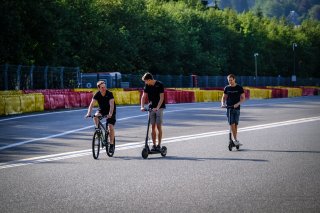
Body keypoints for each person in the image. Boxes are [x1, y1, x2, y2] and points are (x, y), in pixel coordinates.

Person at [85, 81, 116, 153]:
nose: (104, 88)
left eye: (105, 86)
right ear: (99, 88)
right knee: (95, 116)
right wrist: (88, 113)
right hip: (102, 110)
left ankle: (111, 144)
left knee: (110, 126)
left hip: (110, 111)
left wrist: (110, 114)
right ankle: (97, 129)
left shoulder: (109, 93)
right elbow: (91, 104)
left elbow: (112, 105)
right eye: (102, 87)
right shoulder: (97, 94)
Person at [140, 72, 166, 151]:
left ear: (150, 79)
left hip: (159, 107)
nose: (145, 82)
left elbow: (162, 98)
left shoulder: (159, 84)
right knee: (152, 127)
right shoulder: (147, 86)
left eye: (146, 81)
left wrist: (157, 107)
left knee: (158, 126)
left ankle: (159, 145)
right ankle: (154, 145)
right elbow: (143, 96)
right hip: (151, 107)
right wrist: (142, 106)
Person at [221, 74, 245, 146]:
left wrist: (238, 103)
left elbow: (243, 98)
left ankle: (235, 139)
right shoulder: (227, 88)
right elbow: (223, 97)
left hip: (237, 108)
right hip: (229, 108)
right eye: (229, 80)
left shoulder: (239, 87)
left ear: (234, 79)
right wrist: (222, 103)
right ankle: (235, 140)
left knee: (236, 124)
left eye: (231, 80)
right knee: (232, 124)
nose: (230, 82)